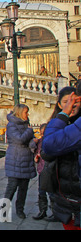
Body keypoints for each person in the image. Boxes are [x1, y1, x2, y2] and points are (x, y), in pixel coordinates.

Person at [42, 85, 81, 229]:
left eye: (75, 101)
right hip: (65, 190)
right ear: (59, 104)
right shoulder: (56, 123)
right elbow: (47, 152)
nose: (72, 105)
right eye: (66, 102)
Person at [4, 104, 37, 219]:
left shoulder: (26, 124)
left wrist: (34, 142)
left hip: (26, 159)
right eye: (26, 112)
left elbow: (29, 140)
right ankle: (4, 210)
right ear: (19, 112)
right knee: (12, 187)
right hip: (15, 159)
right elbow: (19, 139)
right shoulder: (12, 125)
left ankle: (20, 210)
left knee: (23, 188)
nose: (27, 114)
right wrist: (29, 131)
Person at [31, 123, 49, 220]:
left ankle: (51, 212)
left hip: (48, 169)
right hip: (42, 168)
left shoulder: (49, 141)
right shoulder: (39, 141)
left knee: (51, 192)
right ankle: (43, 211)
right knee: (42, 191)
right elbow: (35, 154)